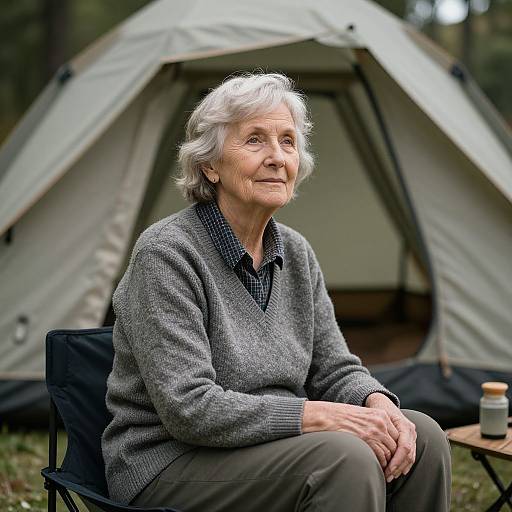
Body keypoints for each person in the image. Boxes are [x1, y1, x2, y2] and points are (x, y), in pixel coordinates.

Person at [102, 73, 451, 511]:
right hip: (171, 461)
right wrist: (318, 416)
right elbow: (189, 409)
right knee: (343, 457)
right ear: (210, 165)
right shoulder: (167, 254)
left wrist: (378, 405)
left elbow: (334, 369)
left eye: (287, 142)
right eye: (254, 141)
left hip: (273, 447)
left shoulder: (297, 253)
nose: (276, 157)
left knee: (424, 440)